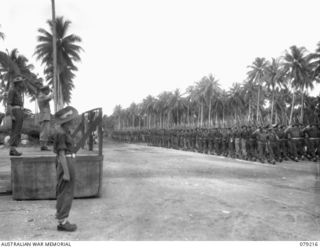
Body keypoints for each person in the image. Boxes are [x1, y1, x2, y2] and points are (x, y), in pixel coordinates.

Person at [53, 106, 79, 232]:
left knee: (66, 191)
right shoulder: (61, 133)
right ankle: (62, 221)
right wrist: (66, 173)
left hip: (69, 161)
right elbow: (61, 154)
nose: (73, 122)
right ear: (66, 122)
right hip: (66, 162)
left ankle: (62, 218)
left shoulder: (65, 132)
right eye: (71, 120)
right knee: (65, 192)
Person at [7, 76, 24, 156]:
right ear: (18, 83)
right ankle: (12, 149)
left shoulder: (17, 91)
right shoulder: (12, 90)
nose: (22, 83)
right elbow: (9, 104)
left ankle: (13, 149)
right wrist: (12, 115)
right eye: (21, 82)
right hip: (15, 111)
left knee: (18, 130)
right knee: (15, 130)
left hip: (19, 110)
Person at [37, 83, 53, 151]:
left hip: (45, 116)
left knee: (46, 131)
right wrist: (53, 93)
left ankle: (44, 145)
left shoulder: (42, 95)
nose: (48, 92)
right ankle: (43, 146)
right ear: (45, 90)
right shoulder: (42, 96)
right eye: (48, 91)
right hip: (44, 116)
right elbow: (49, 98)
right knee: (44, 131)